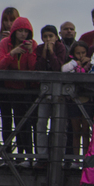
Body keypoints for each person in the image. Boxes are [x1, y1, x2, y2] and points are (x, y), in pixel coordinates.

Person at [0, 17, 38, 167]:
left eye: (26, 31)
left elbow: (34, 69)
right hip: (7, 89)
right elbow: (1, 65)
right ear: (14, 31)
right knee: (7, 122)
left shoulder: (32, 44)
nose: (23, 34)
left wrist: (32, 53)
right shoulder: (4, 43)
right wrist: (12, 53)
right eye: (20, 31)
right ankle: (7, 157)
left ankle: (25, 156)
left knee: (23, 122)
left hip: (24, 90)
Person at [34, 25, 67, 169]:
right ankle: (42, 155)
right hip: (44, 91)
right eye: (45, 37)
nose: (48, 40)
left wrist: (52, 52)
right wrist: (44, 54)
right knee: (41, 123)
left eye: (51, 36)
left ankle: (57, 155)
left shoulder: (61, 48)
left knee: (58, 124)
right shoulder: (39, 49)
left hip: (59, 91)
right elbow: (39, 69)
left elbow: (58, 67)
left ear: (56, 37)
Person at [0, 8, 19, 150]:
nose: (9, 24)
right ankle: (7, 152)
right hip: (3, 84)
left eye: (12, 20)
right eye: (6, 20)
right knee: (6, 118)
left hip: (19, 85)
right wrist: (3, 42)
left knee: (21, 119)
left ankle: (23, 153)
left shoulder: (23, 38)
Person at [62, 41, 92, 169]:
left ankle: (85, 158)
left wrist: (88, 63)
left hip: (87, 99)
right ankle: (75, 160)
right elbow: (63, 70)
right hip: (74, 100)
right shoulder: (71, 65)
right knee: (76, 131)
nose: (80, 55)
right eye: (78, 53)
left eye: (83, 53)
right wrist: (76, 63)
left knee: (86, 131)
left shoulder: (91, 64)